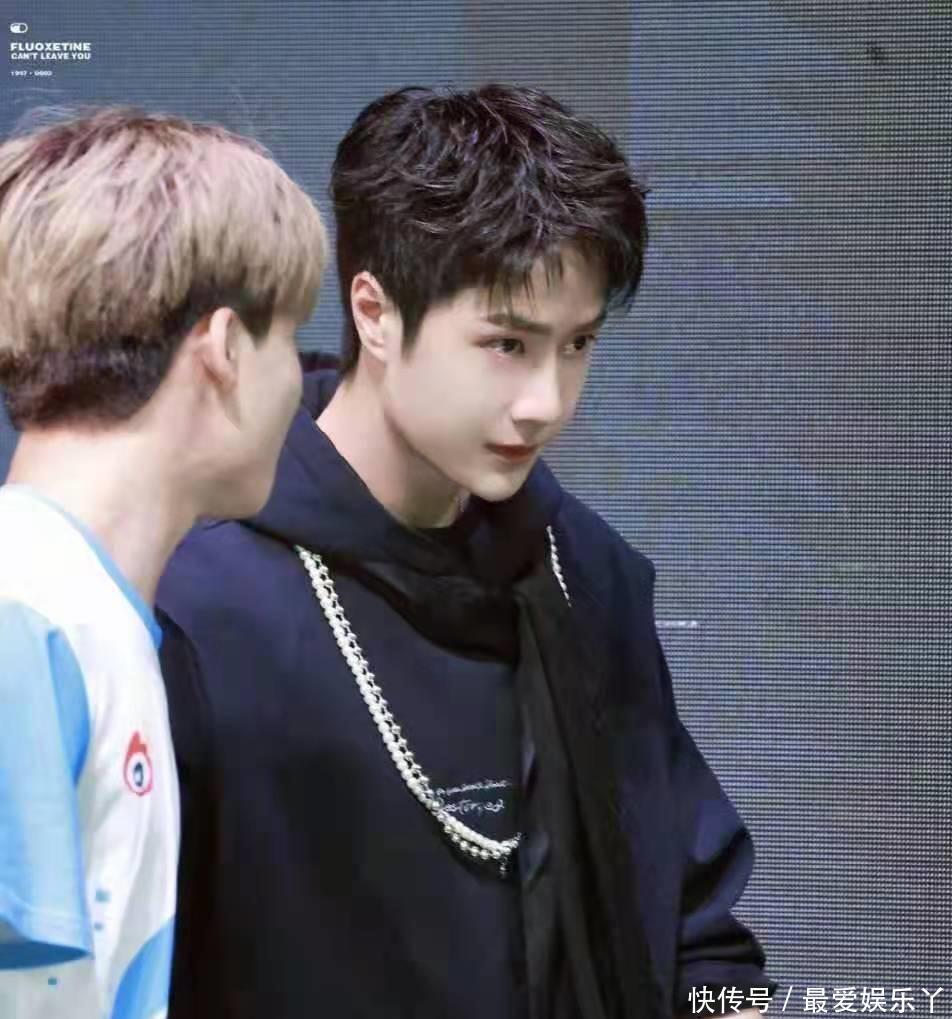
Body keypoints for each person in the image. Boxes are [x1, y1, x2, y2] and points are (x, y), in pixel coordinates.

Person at [157, 85, 771, 1019]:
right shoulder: (201, 602)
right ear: (374, 311)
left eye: (578, 344)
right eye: (506, 343)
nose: (547, 401)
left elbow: (701, 935)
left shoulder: (585, 575)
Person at [0, 106, 327, 1019]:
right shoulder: (28, 611)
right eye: (289, 339)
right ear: (224, 349)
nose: (301, 383)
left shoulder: (83, 614)